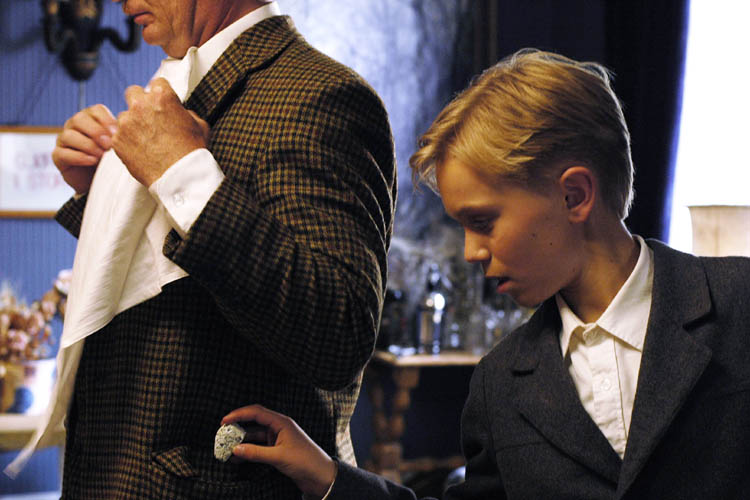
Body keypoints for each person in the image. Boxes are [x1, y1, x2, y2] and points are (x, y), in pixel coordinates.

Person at [221, 49, 750, 499]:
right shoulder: (498, 385)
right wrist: (329, 477)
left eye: (483, 222)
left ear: (574, 195)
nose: (471, 252)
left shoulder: (740, 303)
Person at [8, 1, 396, 498]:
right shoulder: (182, 83)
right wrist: (101, 193)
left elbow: (338, 333)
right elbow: (174, 300)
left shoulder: (321, 94)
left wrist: (183, 173)